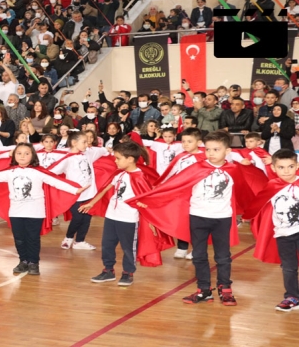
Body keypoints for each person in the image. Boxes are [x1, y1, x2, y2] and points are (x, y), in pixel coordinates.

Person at [130, 131, 257, 306]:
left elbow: (243, 192)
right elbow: (173, 186)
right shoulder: (197, 168)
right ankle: (204, 289)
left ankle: (225, 288)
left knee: (223, 256)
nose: (211, 153)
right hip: (198, 217)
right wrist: (150, 201)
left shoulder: (233, 170)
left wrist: (249, 212)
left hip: (222, 218)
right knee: (199, 255)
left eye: (216, 149)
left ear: (227, 151)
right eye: (208, 149)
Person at [0, 143, 85, 275]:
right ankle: (23, 261)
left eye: (27, 153)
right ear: (14, 155)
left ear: (33, 156)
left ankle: (34, 263)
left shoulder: (38, 172)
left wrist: (76, 190)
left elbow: (56, 182)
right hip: (16, 211)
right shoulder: (10, 172)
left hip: (35, 212)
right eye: (19, 153)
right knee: (19, 238)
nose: (22, 156)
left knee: (33, 238)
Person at [80, 142, 155, 286]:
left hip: (128, 218)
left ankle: (128, 272)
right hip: (111, 216)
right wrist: (91, 203)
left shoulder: (140, 177)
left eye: (118, 158)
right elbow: (104, 188)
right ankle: (108, 270)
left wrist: (150, 221)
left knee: (128, 247)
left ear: (130, 159)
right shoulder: (119, 174)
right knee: (107, 245)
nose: (115, 161)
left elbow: (147, 200)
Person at [244, 149, 299, 311]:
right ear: (274, 168)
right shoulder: (273, 186)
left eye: (290, 166)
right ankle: (292, 296)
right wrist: (247, 215)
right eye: (281, 167)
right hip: (283, 234)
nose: (286, 171)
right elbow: (257, 202)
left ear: (297, 166)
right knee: (288, 266)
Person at [49, 131, 108, 249]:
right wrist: (69, 188)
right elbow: (51, 173)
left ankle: (80, 241)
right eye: (84, 142)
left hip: (90, 193)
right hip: (75, 195)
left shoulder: (88, 153)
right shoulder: (67, 159)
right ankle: (68, 237)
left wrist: (109, 150)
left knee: (86, 218)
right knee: (78, 217)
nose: (87, 144)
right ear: (74, 143)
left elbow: (102, 150)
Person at [155, 128, 206, 259]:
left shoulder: (204, 157)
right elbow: (171, 172)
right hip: (182, 194)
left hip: (198, 194)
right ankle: (182, 247)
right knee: (181, 220)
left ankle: (197, 249)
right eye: (183, 141)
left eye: (190, 141)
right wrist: (161, 185)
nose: (186, 144)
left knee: (196, 222)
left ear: (199, 142)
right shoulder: (181, 157)